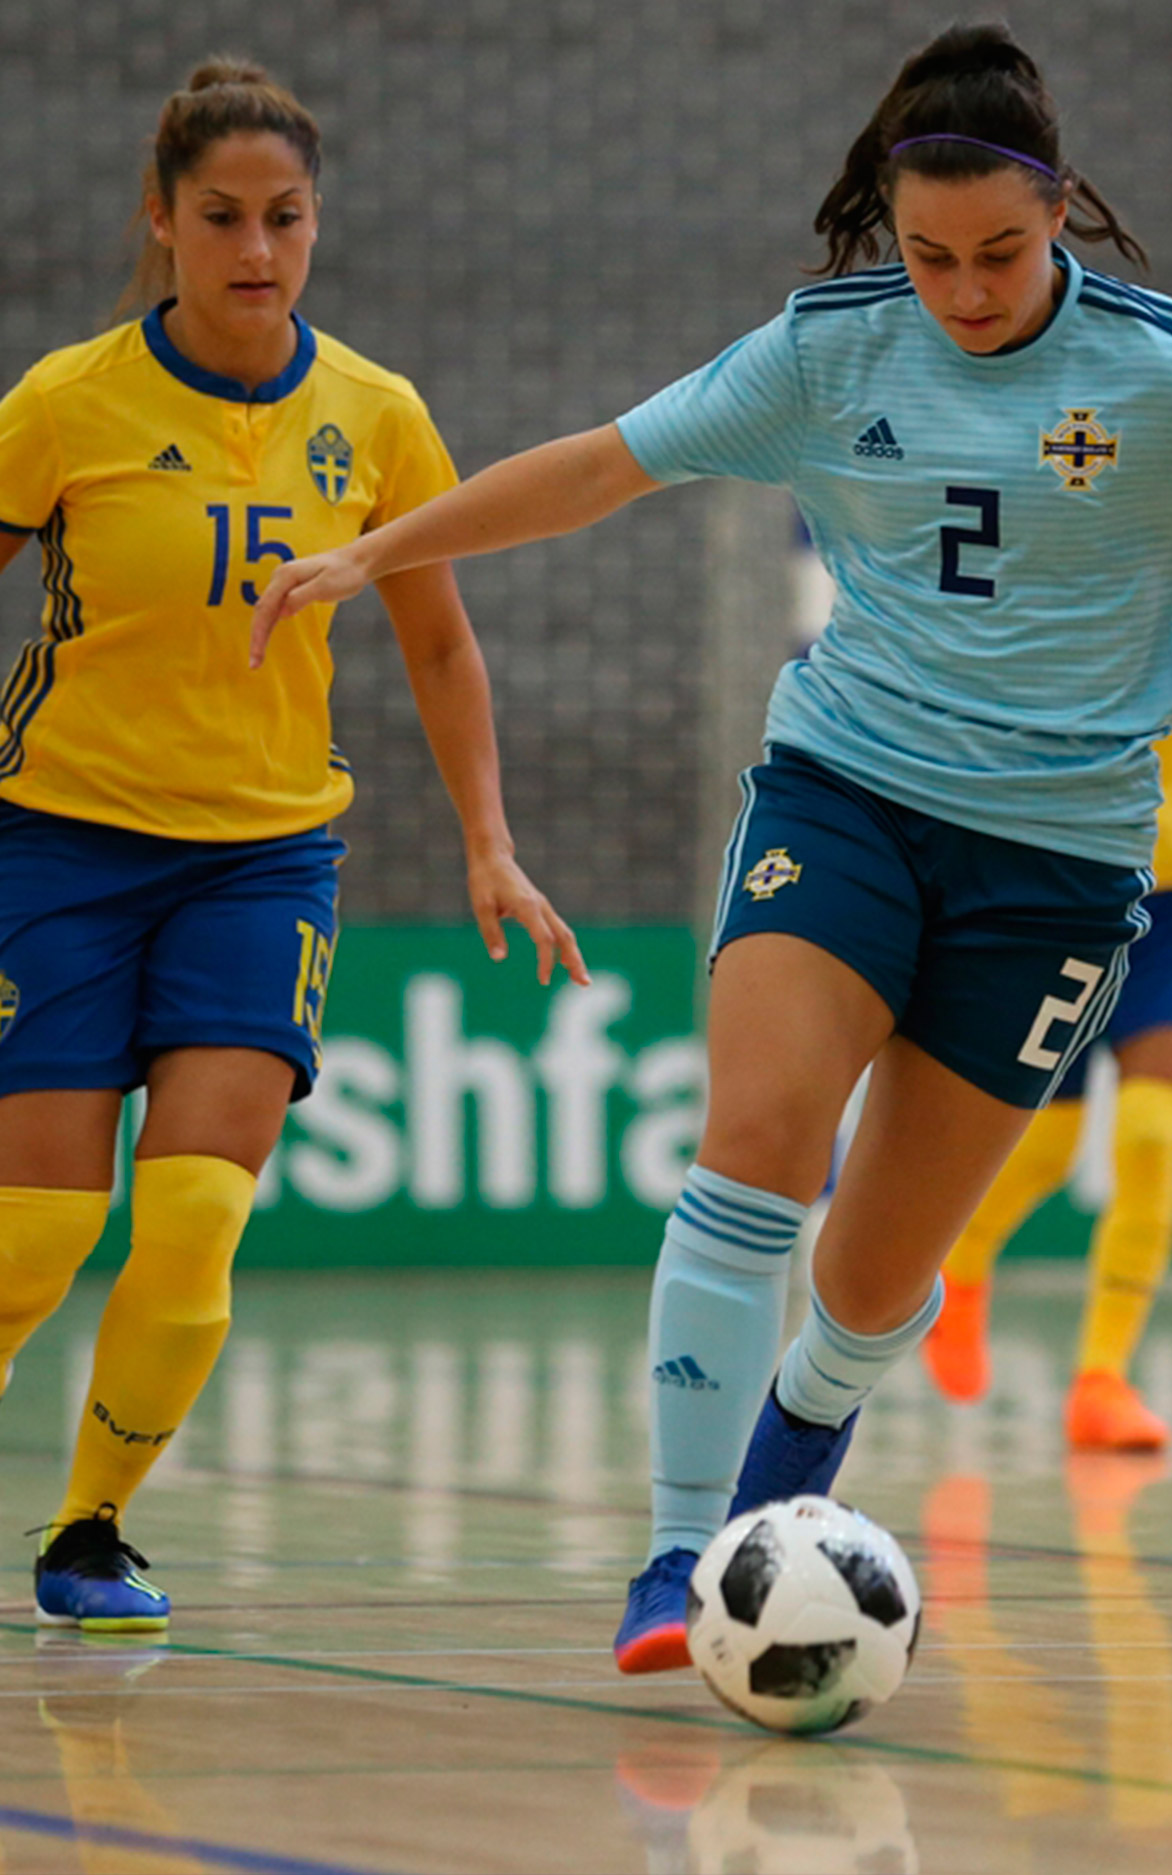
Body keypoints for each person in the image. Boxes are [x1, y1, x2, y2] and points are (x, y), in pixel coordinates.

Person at [251, 22, 1172, 1672]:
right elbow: (598, 471)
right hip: (846, 792)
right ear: (885, 228)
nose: (964, 290)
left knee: (876, 1273)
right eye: (929, 256)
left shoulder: (1170, 368)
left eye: (998, 253)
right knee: (757, 1138)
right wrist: (377, 550)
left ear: (1059, 215)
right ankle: (681, 1552)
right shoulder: (829, 351)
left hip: (1055, 860)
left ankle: (784, 1487)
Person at [0, 60, 583, 1632]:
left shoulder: (377, 417)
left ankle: (92, 1530)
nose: (256, 249)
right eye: (221, 219)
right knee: (37, 1233)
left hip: (261, 858)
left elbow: (443, 648)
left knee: (194, 1212)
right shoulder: (67, 401)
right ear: (162, 223)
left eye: (285, 218)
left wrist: (489, 844)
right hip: (56, 840)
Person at [920, 509, 1172, 1448]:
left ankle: (1102, 1377)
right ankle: (961, 1262)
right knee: (1045, 1146)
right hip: (1067, 878)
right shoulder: (1063, 525)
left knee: (1147, 1134)